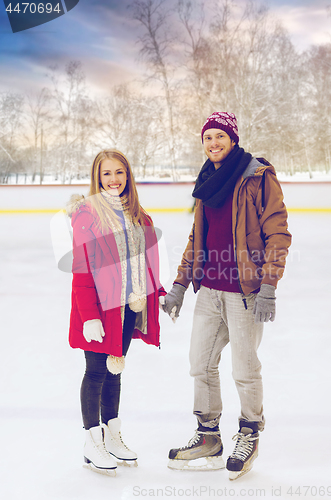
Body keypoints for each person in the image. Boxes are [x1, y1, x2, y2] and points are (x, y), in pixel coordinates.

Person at [160, 112, 292, 480]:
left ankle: (249, 432)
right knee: (199, 364)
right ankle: (208, 437)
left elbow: (278, 234)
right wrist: (179, 286)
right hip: (210, 291)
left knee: (245, 370)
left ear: (233, 139)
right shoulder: (207, 181)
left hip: (245, 293)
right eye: (207, 138)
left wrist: (268, 286)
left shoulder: (257, 176)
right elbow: (196, 239)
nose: (213, 143)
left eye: (220, 136)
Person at [67, 149, 165, 476]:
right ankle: (90, 440)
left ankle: (112, 435)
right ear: (97, 177)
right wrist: (89, 315)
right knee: (95, 371)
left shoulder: (139, 216)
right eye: (106, 173)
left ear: (128, 175)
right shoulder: (87, 215)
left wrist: (157, 297)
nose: (114, 179)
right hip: (98, 309)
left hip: (126, 309)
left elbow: (146, 266)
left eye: (119, 172)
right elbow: (82, 269)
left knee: (115, 369)